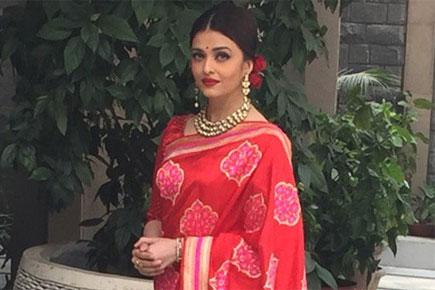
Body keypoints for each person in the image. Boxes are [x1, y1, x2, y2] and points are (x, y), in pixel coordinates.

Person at [131, 2, 305, 289]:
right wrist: (148, 250)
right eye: (198, 56)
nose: (207, 67)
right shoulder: (176, 134)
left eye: (222, 56)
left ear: (247, 65)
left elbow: (273, 251)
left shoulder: (266, 145)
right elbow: (157, 213)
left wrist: (178, 250)